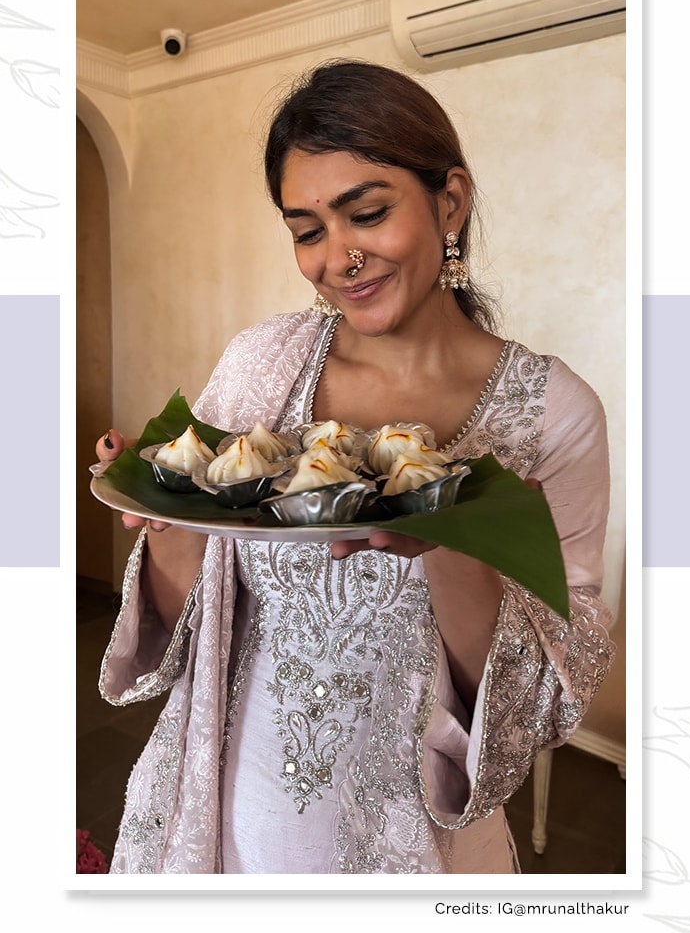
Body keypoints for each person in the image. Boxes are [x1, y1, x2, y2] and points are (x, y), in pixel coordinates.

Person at [95, 59, 615, 874]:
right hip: (229, 814)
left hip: (416, 850)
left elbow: (546, 701)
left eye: (365, 214)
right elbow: (183, 617)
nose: (338, 258)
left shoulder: (555, 416)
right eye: (307, 231)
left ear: (450, 201)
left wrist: (453, 539)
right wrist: (169, 513)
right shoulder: (263, 364)